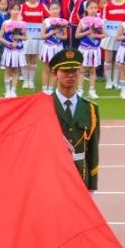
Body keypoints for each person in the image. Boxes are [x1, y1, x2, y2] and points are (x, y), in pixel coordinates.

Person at [50, 49, 100, 191]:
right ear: (55, 74)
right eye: (65, 71)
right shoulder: (45, 106)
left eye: (75, 71)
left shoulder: (90, 109)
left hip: (80, 174)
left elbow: (93, 150)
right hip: (52, 173)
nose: (71, 75)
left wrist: (92, 186)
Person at [0, 3, 27, 98]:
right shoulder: (6, 23)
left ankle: (13, 90)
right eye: (14, 9)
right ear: (10, 10)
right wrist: (9, 43)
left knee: (15, 70)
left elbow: (26, 37)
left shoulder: (23, 24)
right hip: (8, 50)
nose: (16, 12)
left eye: (18, 10)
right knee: (7, 70)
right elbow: (0, 38)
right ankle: (7, 91)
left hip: (18, 50)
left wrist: (18, 37)